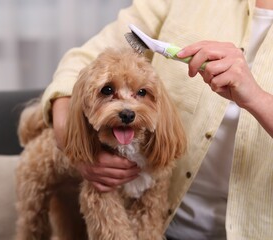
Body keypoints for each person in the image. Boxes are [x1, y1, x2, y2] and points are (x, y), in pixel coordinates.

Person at [40, 0, 273, 239]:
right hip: (166, 227)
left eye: (141, 93)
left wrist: (257, 98)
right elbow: (80, 62)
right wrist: (72, 141)